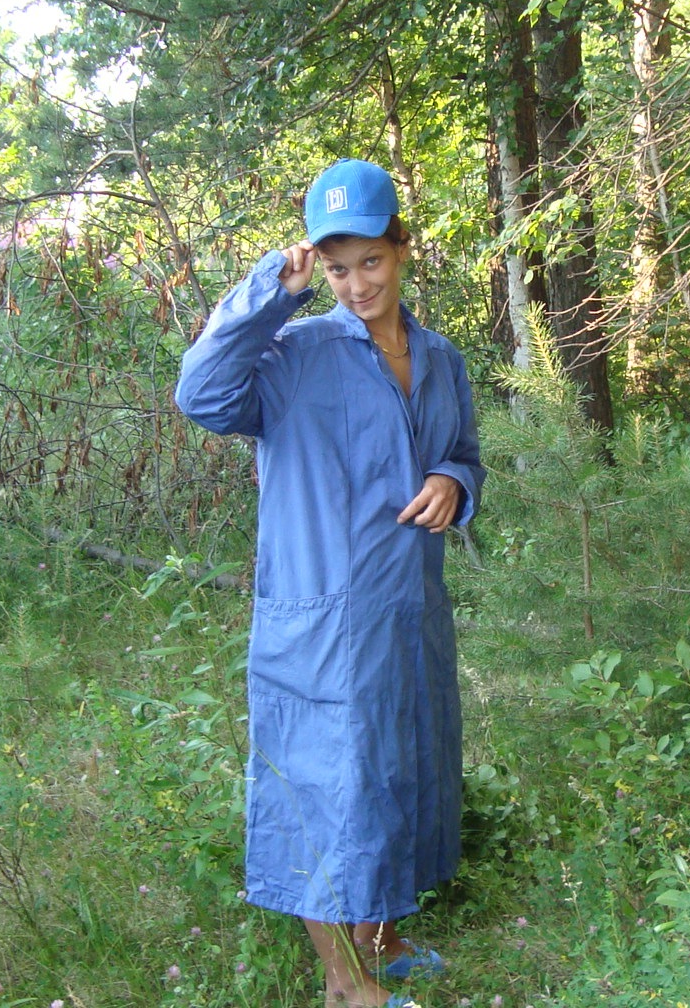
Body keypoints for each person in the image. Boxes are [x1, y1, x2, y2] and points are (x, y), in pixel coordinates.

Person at [174, 158, 485, 1008]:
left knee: (396, 772)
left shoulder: (441, 358)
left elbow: (462, 454)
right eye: (338, 267)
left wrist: (453, 481)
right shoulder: (294, 356)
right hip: (322, 622)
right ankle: (346, 984)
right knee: (326, 790)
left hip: (408, 610)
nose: (357, 284)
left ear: (402, 249)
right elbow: (201, 395)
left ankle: (381, 937)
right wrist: (268, 294)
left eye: (371, 261)